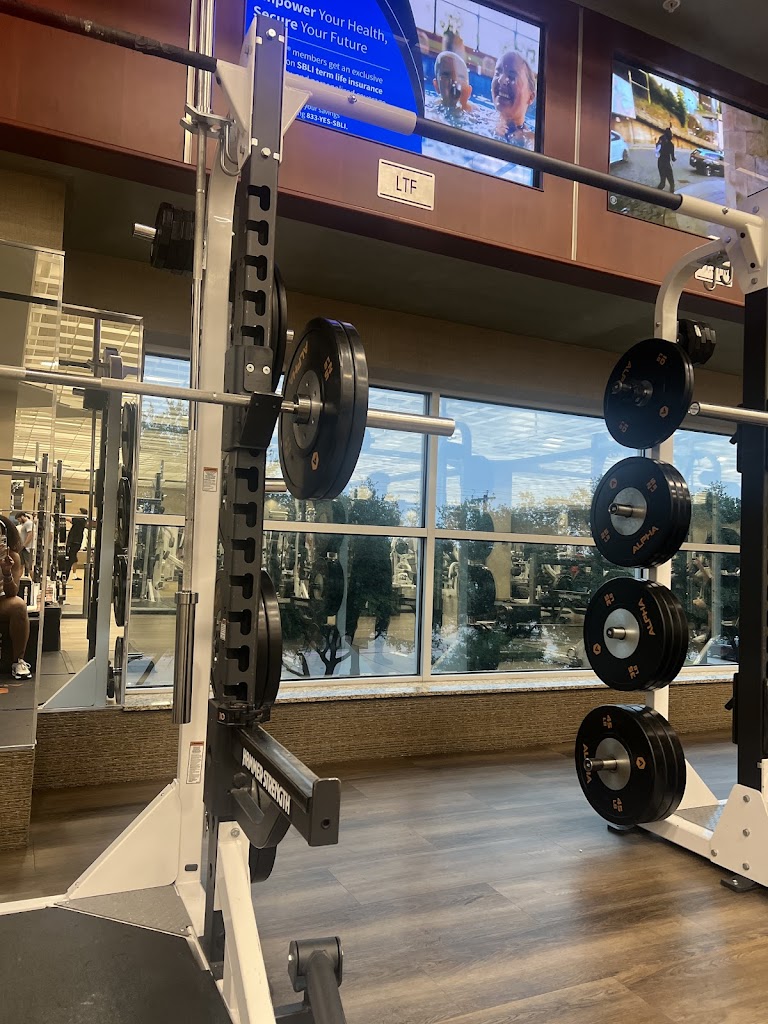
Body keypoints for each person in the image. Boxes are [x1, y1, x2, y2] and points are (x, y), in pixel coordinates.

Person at [0, 515, 32, 680]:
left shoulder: (12, 557)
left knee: (19, 605)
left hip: (1, 600)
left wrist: (6, 573)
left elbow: (12, 592)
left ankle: (18, 661)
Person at [490, 51, 536, 147]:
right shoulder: (476, 117)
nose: (501, 80)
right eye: (497, 73)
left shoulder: (531, 142)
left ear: (530, 97)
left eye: (512, 76)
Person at [63, 509, 88, 582]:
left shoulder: (81, 520)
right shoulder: (81, 521)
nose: (77, 513)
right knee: (73, 559)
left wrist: (61, 516)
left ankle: (65, 577)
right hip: (75, 543)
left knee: (69, 561)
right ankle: (69, 576)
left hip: (74, 543)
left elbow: (69, 519)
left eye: (79, 512)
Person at [657, 126, 676, 192]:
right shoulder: (671, 145)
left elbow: (657, 149)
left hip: (660, 162)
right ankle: (671, 195)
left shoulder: (660, 140)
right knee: (671, 182)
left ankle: (655, 193)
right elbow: (673, 158)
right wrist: (674, 158)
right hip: (666, 164)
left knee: (662, 181)